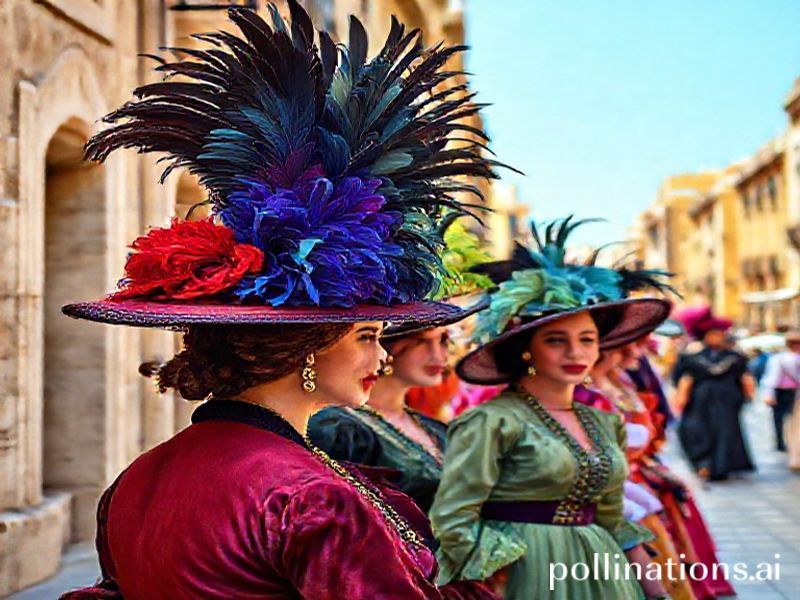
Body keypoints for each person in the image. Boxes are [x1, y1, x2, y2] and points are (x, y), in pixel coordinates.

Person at [59, 3, 502, 597]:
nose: (384, 358)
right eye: (367, 336)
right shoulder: (311, 497)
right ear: (307, 348)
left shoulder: (137, 477)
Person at [430, 218, 673, 600]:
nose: (576, 353)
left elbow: (612, 517)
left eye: (587, 339)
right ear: (527, 347)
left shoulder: (605, 422)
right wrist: (500, 573)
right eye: (557, 340)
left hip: (603, 572)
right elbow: (453, 517)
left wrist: (654, 587)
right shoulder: (491, 420)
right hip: (526, 574)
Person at [673, 307, 755, 481]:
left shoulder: (735, 356)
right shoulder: (691, 357)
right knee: (699, 431)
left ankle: (721, 466)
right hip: (700, 401)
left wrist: (748, 396)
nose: (718, 337)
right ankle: (704, 464)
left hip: (728, 400)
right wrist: (680, 400)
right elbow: (683, 380)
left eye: (720, 333)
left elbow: (745, 378)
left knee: (726, 432)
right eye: (714, 334)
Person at [760, 332, 800, 451]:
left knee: (782, 418)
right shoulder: (782, 358)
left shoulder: (778, 358)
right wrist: (769, 394)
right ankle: (783, 442)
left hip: (788, 392)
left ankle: (783, 442)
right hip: (784, 392)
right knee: (784, 418)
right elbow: (772, 377)